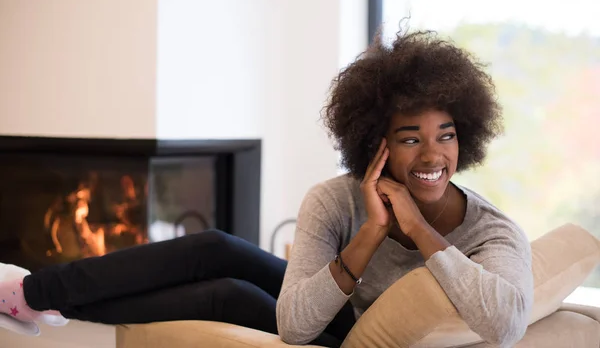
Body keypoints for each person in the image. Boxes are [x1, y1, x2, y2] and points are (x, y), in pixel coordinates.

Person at [0, 29, 533, 347]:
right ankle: (35, 293)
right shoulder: (336, 198)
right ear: (377, 143)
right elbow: (300, 307)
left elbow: (506, 322)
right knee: (215, 247)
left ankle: (50, 304)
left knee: (225, 295)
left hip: (352, 334)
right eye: (410, 138)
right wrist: (370, 229)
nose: (433, 155)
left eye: (447, 135)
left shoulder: (492, 233)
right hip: (335, 304)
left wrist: (410, 230)